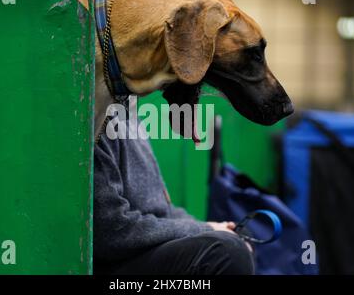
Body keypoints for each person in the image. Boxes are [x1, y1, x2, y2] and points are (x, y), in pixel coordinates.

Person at [93, 112, 254, 275]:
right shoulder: (99, 123)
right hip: (116, 265)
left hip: (144, 251)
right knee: (228, 253)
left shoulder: (129, 115)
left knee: (241, 235)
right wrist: (206, 228)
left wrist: (217, 229)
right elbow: (113, 232)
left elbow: (164, 210)